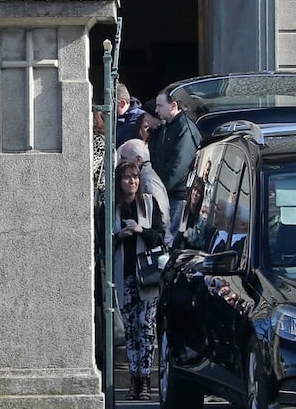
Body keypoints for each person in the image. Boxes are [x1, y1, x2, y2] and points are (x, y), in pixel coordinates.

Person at [98, 161, 165, 401]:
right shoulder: (109, 208)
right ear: (119, 181)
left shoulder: (148, 204)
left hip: (147, 277)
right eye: (127, 178)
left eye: (135, 177)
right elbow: (101, 242)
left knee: (146, 328)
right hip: (123, 275)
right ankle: (134, 380)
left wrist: (139, 231)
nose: (132, 182)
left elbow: (159, 236)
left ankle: (145, 379)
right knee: (130, 329)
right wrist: (119, 236)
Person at [149, 90, 201, 245]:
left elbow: (177, 166)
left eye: (160, 105)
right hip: (168, 193)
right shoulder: (169, 127)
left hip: (177, 196)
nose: (156, 110)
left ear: (173, 105)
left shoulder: (184, 129)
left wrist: (160, 189)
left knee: (170, 242)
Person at [117, 138, 171, 245]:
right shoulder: (112, 204)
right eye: (127, 177)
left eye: (123, 158)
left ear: (138, 160)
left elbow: (162, 219)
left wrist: (141, 230)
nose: (119, 162)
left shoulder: (149, 181)